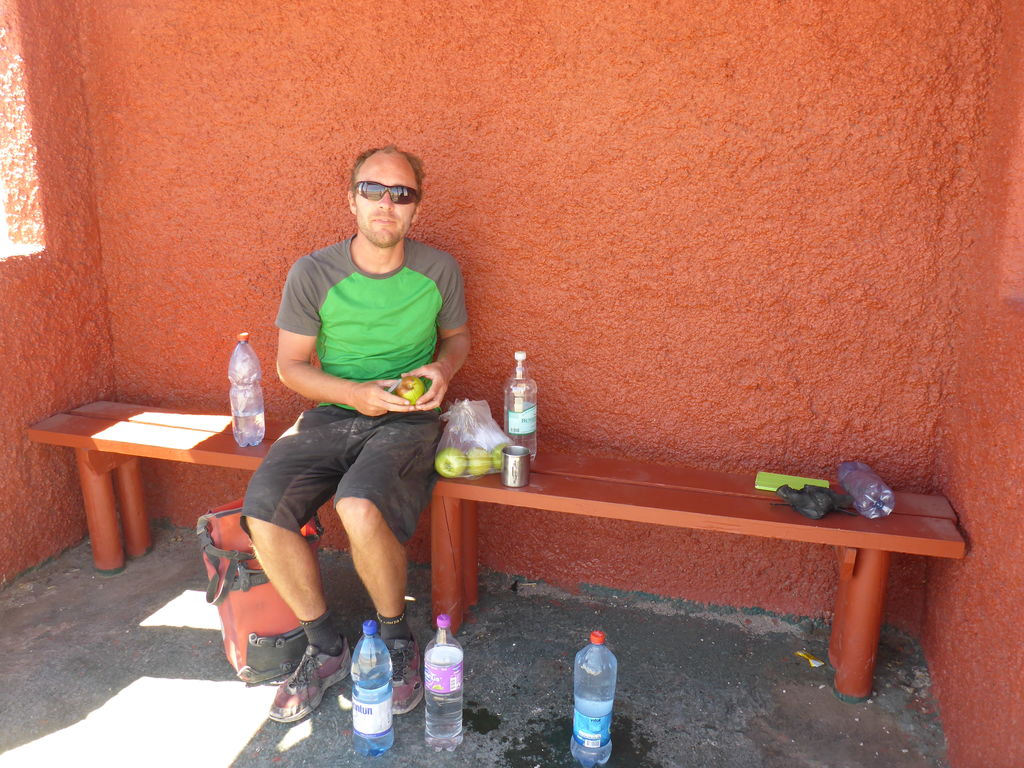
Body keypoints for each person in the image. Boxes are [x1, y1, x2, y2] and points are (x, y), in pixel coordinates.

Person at [242, 144, 470, 723]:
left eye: (402, 194)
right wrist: (353, 394)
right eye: (373, 190)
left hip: (410, 416)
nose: (386, 205)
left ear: (417, 207)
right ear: (351, 199)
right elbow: (290, 366)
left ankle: (397, 640)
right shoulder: (313, 272)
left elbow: (457, 339)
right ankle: (325, 646)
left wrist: (441, 370)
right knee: (263, 509)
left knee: (359, 505)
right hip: (333, 411)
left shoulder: (439, 268)